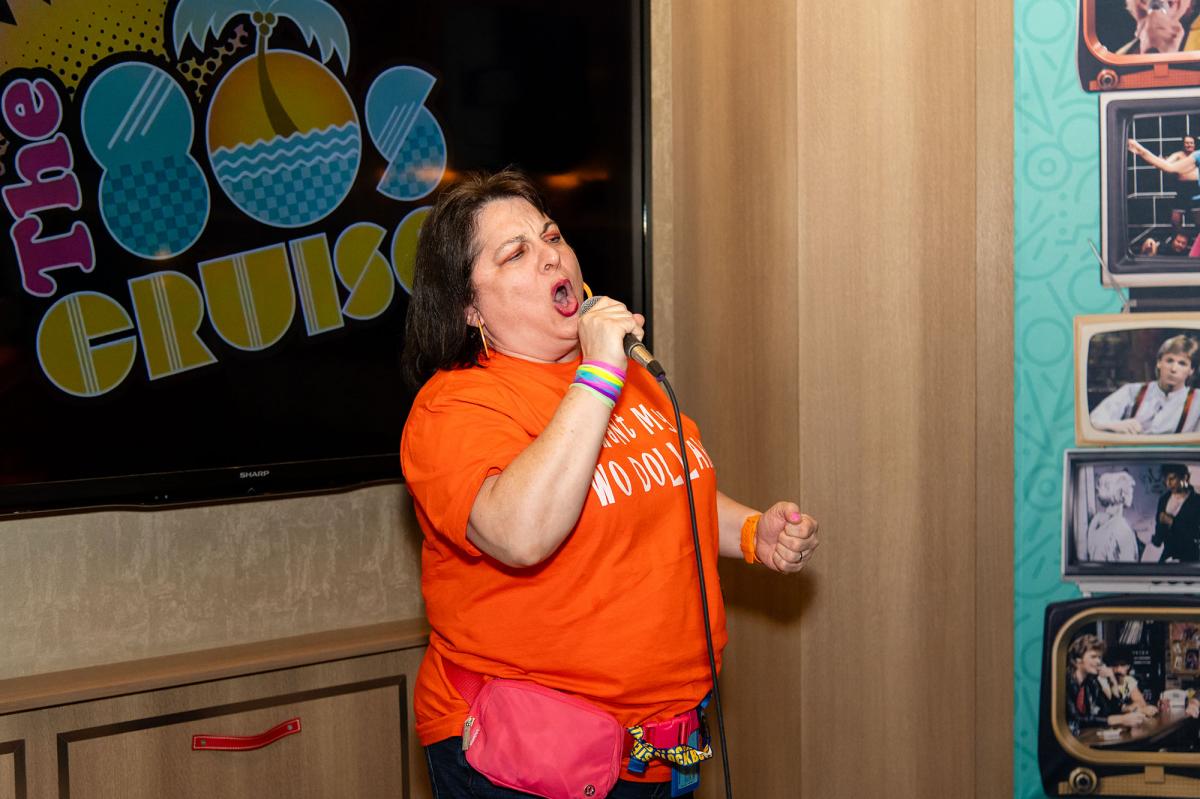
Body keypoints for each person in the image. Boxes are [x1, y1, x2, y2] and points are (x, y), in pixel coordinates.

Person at [399, 169, 821, 798]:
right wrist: (597, 371)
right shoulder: (454, 408)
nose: (550, 255)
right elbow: (520, 533)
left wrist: (754, 532)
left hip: (661, 747)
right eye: (516, 253)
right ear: (469, 308)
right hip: (529, 758)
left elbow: (666, 495)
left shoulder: (628, 379)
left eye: (551, 236)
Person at [1089, 333, 1200, 435]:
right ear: (1159, 363)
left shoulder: (1197, 400)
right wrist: (1116, 425)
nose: (1173, 369)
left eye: (1182, 363)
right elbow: (1095, 419)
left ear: (1191, 370)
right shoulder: (1132, 391)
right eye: (1169, 360)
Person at [1066, 634, 1146, 737]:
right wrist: (1120, 719)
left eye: (1099, 657)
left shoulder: (1091, 683)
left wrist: (1112, 681)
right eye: (1093, 657)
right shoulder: (1065, 682)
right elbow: (1076, 719)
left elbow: (1111, 710)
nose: (1098, 661)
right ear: (1078, 658)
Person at [1085, 471, 1139, 562]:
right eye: (1130, 490)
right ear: (1122, 493)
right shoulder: (1121, 528)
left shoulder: (1095, 523)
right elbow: (1128, 565)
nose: (1132, 492)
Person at [1152, 464, 1200, 562]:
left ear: (1185, 477)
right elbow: (1158, 537)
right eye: (1165, 479)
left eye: (1172, 479)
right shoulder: (1164, 499)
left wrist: (1172, 522)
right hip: (1167, 558)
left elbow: (1196, 535)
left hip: (1190, 559)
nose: (1168, 483)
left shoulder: (1197, 501)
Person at [1098, 651, 1158, 718]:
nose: (1118, 669)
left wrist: (1131, 708)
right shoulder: (1104, 682)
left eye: (1122, 665)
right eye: (1114, 665)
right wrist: (1135, 709)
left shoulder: (1129, 680)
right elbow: (1114, 709)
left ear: (1128, 666)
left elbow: (1141, 703)